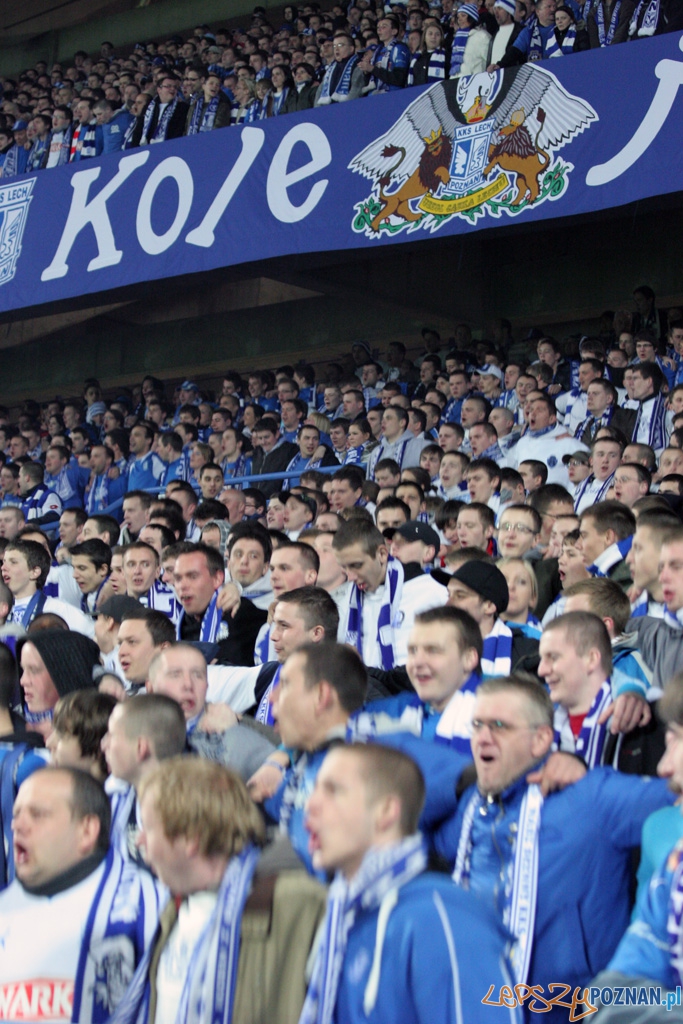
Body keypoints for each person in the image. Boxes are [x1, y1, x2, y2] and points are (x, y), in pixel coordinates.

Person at [436, 675, 674, 1013]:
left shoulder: (592, 796)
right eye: (477, 725)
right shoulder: (469, 808)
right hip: (482, 1004)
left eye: (499, 726)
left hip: (575, 1011)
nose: (482, 738)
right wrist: (458, 780)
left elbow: (672, 795)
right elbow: (397, 786)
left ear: (541, 740)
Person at [301, 743, 520, 1024]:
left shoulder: (442, 917)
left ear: (386, 812)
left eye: (333, 791)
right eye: (315, 788)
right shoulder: (348, 919)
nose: (311, 805)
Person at [110, 758, 327, 1024]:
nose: (140, 840)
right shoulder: (172, 909)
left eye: (150, 828)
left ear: (190, 838)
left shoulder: (299, 906)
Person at [0, 768, 162, 1023]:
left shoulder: (148, 907)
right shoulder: (5, 910)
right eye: (17, 813)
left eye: (38, 814)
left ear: (87, 830)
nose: (17, 825)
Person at [332, 518, 447, 670]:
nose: (350, 576)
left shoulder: (431, 592)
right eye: (344, 568)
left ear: (382, 554)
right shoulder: (345, 597)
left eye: (357, 565)